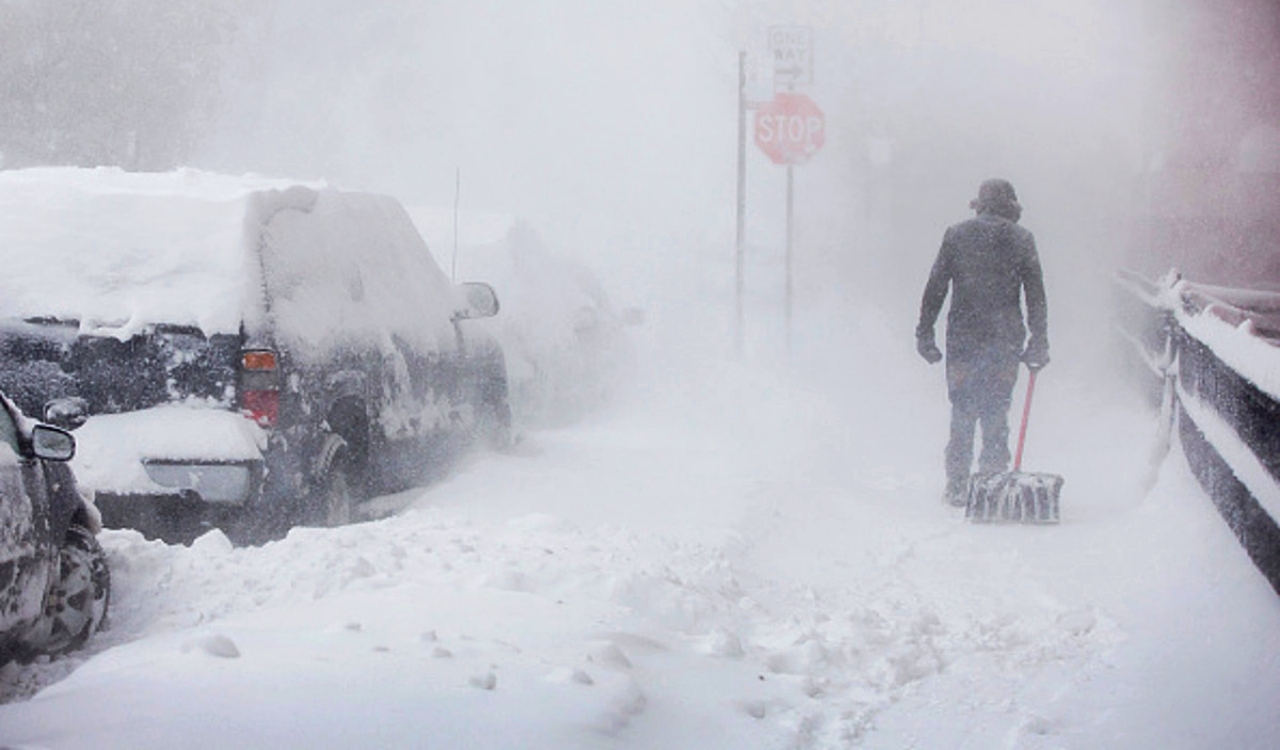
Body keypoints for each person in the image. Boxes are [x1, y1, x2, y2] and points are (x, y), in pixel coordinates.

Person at [916, 178, 1049, 506]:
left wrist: (925, 332)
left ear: (980, 205)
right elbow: (1035, 296)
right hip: (1004, 341)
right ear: (1011, 207)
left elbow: (936, 287)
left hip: (964, 339)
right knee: (995, 408)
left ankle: (958, 485)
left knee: (962, 408)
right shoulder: (1022, 240)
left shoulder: (956, 236)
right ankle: (991, 481)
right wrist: (1039, 340)